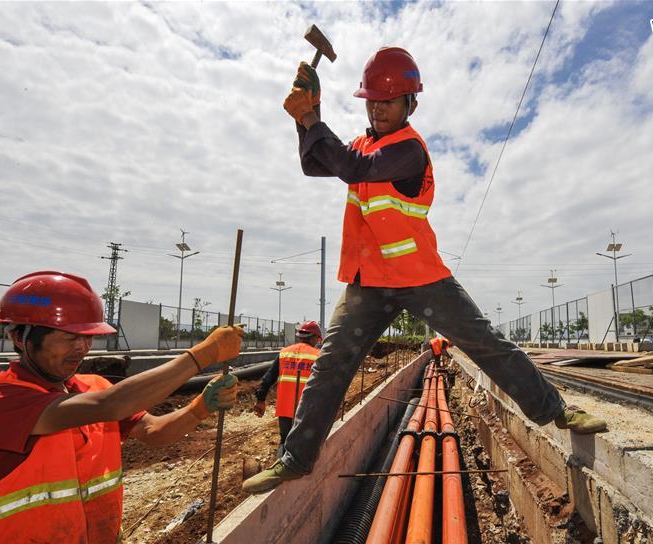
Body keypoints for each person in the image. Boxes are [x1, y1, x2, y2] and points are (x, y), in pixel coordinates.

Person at [243, 47, 607, 495]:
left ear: (410, 104)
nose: (377, 109)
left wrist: (313, 121)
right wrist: (306, 116)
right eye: (372, 100)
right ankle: (295, 459)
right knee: (330, 364)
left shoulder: (409, 150)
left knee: (485, 342)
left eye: (388, 101)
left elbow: (352, 167)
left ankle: (557, 410)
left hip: (419, 276)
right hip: (368, 281)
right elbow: (315, 163)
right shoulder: (362, 144)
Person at [0, 271, 244, 544]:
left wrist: (200, 408)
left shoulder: (91, 388)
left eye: (88, 337)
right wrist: (202, 355)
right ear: (20, 337)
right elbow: (109, 406)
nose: (82, 348)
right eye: (70, 337)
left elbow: (154, 432)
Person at [253, 321, 323, 454]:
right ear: (314, 337)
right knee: (305, 444)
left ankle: (281, 469)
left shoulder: (284, 353)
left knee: (284, 441)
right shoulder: (318, 356)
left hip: (285, 409)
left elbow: (267, 379)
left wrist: (260, 400)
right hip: (307, 410)